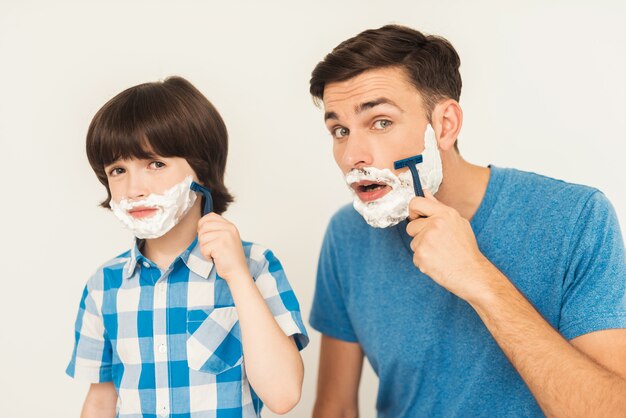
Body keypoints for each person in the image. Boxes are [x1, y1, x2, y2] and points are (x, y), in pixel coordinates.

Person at [308, 25, 626, 417]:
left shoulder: (577, 218)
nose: (351, 155)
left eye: (380, 122)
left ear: (444, 125)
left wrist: (479, 278)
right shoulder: (347, 235)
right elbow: (335, 408)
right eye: (339, 130)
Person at [66, 76, 308, 417]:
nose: (134, 188)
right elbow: (101, 399)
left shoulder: (255, 265)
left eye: (156, 164)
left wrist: (237, 275)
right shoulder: (103, 285)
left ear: (202, 171)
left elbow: (283, 396)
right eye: (118, 170)